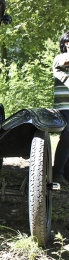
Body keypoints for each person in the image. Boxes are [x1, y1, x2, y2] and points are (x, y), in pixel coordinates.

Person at [53, 31, 69, 185]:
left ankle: (65, 172)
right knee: (68, 134)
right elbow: (65, 61)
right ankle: (57, 172)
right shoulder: (60, 58)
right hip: (64, 106)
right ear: (67, 43)